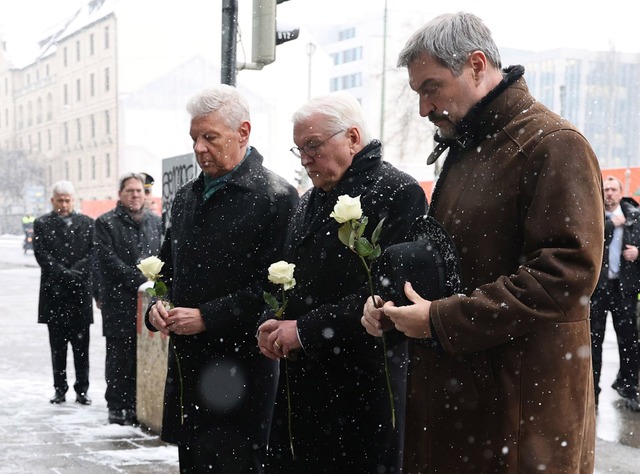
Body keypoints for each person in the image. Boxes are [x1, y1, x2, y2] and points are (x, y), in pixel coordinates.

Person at [361, 12, 604, 473]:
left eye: (431, 88)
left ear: (476, 65)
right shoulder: (468, 146)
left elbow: (564, 276)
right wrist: (395, 306)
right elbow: (451, 260)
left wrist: (438, 318)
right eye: (417, 93)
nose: (423, 108)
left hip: (518, 415)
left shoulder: (553, 145)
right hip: (467, 404)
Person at [257, 91, 427, 473]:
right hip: (304, 390)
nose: (304, 159)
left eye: (313, 145)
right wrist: (273, 320)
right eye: (298, 148)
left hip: (360, 392)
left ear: (352, 138)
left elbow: (387, 295)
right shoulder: (309, 200)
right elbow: (287, 275)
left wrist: (304, 330)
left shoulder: (398, 193)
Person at [146, 84, 298, 473]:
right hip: (190, 366)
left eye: (209, 137)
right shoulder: (186, 197)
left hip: (241, 367)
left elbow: (276, 289)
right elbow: (165, 269)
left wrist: (208, 316)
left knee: (237, 462)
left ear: (243, 133)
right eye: (194, 137)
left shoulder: (275, 197)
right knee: (193, 460)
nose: (198, 147)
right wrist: (156, 308)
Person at [95, 173, 162, 425]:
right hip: (118, 302)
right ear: (120, 195)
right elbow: (108, 261)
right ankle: (116, 404)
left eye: (139, 191)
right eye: (129, 191)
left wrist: (155, 284)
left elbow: (162, 256)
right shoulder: (105, 223)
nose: (135, 195)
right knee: (118, 356)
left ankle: (136, 403)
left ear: (146, 195)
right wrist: (142, 280)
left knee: (141, 355)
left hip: (147, 302)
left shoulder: (155, 223)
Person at [33, 180, 94, 405]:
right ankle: (60, 389)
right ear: (52, 200)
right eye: (60, 200)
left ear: (74, 200)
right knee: (57, 348)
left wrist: (75, 272)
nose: (64, 204)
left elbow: (92, 253)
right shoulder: (42, 224)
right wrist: (64, 273)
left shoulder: (88, 224)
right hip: (54, 295)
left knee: (81, 348)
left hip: (79, 296)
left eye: (68, 200)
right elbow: (42, 255)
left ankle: (82, 389)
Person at [590, 176, 640, 411]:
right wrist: (613, 224)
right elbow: (589, 242)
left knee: (628, 342)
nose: (608, 193)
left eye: (613, 189)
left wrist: (638, 252)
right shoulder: (593, 216)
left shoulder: (635, 217)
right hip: (598, 289)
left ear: (621, 192)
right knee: (593, 342)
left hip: (624, 289)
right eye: (605, 189)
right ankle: (593, 393)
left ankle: (631, 390)